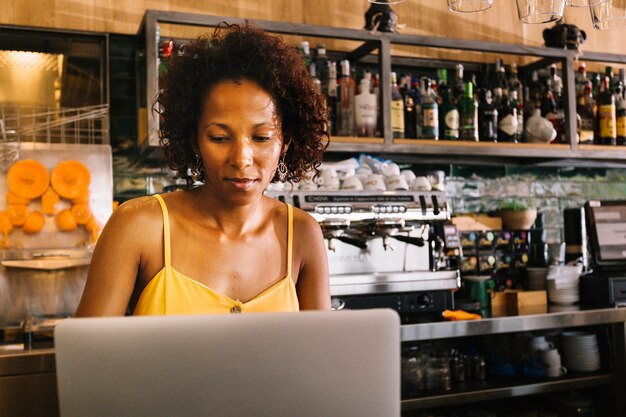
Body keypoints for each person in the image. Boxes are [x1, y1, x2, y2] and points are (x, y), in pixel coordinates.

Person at [75, 23, 331, 316]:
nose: (241, 159)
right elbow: (88, 358)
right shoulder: (139, 227)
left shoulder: (302, 234)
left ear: (285, 143)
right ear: (194, 140)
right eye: (220, 138)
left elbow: (318, 358)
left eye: (261, 138)